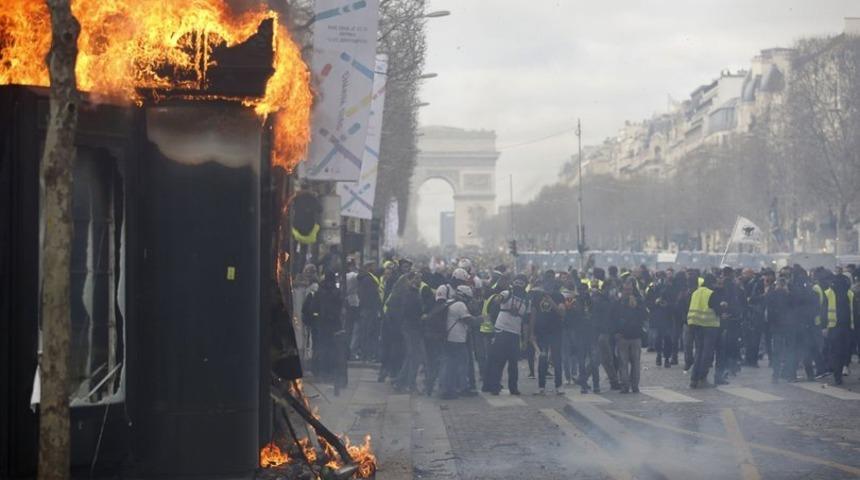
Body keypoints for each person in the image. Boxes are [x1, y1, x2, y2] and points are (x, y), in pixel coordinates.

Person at [483, 274, 531, 395]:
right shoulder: (507, 293)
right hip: (503, 331)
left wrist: (525, 340)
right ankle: (495, 387)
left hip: (512, 333)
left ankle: (511, 388)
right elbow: (497, 300)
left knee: (511, 363)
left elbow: (526, 322)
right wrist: (499, 299)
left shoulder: (526, 300)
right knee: (499, 361)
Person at [530, 270, 566, 395]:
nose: (549, 282)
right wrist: (531, 333)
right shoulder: (537, 296)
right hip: (542, 332)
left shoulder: (558, 296)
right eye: (547, 279)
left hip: (556, 331)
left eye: (551, 279)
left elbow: (562, 313)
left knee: (556, 359)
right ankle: (541, 386)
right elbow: (533, 314)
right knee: (542, 358)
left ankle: (559, 385)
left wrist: (551, 301)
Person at [440, 285, 478, 399]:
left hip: (448, 338)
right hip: (457, 339)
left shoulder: (449, 302)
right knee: (462, 364)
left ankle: (448, 389)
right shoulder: (460, 305)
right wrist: (481, 319)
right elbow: (468, 320)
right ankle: (462, 388)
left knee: (449, 365)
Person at [391, 272, 426, 393]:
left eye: (420, 278)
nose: (419, 280)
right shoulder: (411, 294)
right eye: (417, 278)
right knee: (414, 356)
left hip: (412, 327)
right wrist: (420, 316)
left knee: (412, 356)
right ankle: (409, 384)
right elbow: (409, 311)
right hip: (412, 328)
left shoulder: (413, 293)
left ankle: (401, 382)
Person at [688, 273, 721, 389]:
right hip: (709, 326)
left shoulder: (695, 292)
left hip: (696, 325)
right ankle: (702, 378)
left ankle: (694, 379)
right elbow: (717, 309)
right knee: (707, 354)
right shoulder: (711, 293)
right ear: (712, 283)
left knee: (698, 353)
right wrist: (723, 307)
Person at [615, 278, 645, 393]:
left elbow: (643, 316)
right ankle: (629, 385)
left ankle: (630, 385)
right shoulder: (621, 302)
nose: (627, 291)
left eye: (629, 289)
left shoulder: (624, 302)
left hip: (630, 336)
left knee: (629, 363)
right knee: (628, 363)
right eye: (626, 289)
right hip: (627, 336)